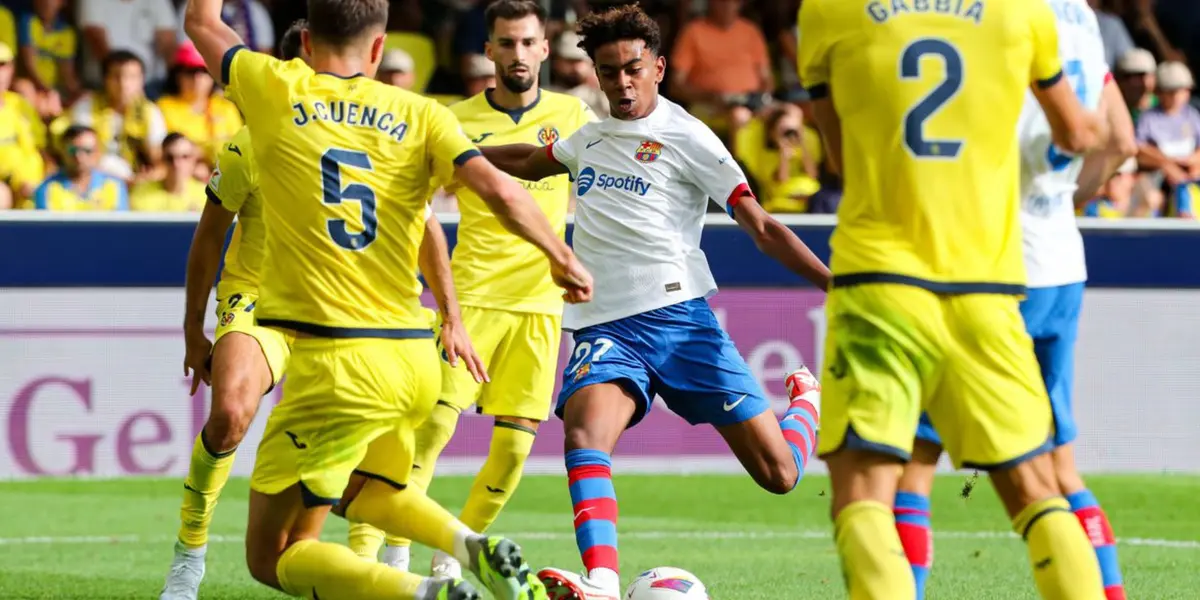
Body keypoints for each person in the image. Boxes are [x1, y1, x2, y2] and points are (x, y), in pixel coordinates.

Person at [184, 0, 592, 598]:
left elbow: (202, 23)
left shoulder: (275, 87)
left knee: (272, 558)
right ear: (379, 50)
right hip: (409, 357)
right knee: (364, 490)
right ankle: (467, 544)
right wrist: (562, 257)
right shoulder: (422, 114)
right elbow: (500, 191)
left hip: (334, 361)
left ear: (305, 43)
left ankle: (427, 594)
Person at [475, 6, 829, 599]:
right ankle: (604, 583)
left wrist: (832, 285)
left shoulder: (691, 137)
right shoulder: (590, 135)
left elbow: (762, 227)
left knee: (780, 475)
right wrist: (461, 154)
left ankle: (806, 404)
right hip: (606, 327)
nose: (621, 83)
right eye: (608, 71)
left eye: (633, 69)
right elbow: (531, 161)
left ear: (659, 68)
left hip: (682, 322)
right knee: (585, 436)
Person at [796, 0, 1110, 597]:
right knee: (1037, 487)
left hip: (878, 282)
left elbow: (841, 157)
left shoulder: (828, 10)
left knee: (865, 496)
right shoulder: (1024, 13)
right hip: (986, 286)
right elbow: (1076, 133)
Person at [891, 1, 1137, 599]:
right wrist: (1061, 203)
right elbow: (1121, 140)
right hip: (1061, 261)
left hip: (991, 267)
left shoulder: (996, 15)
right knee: (1059, 466)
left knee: (914, 461)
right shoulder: (1082, 20)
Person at [348, 0, 597, 577]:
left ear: (544, 47)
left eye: (527, 42)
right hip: (474, 297)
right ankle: (377, 555)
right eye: (504, 43)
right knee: (428, 431)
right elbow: (410, 205)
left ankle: (448, 558)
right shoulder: (452, 118)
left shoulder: (576, 116)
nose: (516, 53)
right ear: (487, 51)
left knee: (511, 454)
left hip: (540, 307)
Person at [159, 23, 308, 600]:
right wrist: (192, 329)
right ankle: (188, 555)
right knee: (229, 415)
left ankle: (384, 557)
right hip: (258, 302)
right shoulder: (248, 145)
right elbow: (208, 241)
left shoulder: (368, 135)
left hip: (336, 307)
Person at [32, 124, 128, 211]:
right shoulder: (47, 189)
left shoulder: (115, 187)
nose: (79, 156)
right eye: (72, 150)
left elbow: (121, 228)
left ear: (98, 152)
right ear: (62, 151)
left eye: (87, 151)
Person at [131, 133, 207, 212]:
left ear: (194, 160)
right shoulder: (142, 193)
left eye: (184, 157)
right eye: (170, 158)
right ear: (162, 160)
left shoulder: (206, 196)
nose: (177, 164)